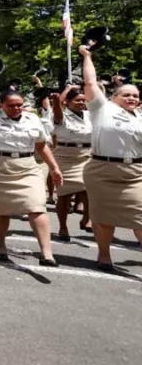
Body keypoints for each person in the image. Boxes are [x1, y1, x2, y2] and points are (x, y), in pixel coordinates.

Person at [0, 63, 61, 266]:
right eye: (11, 105)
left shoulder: (32, 119)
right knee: (1, 210)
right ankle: (1, 244)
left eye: (19, 105)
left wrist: (55, 167)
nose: (16, 109)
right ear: (2, 105)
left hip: (27, 167)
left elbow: (41, 146)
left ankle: (47, 253)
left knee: (37, 206)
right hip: (0, 166)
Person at [79, 45, 142, 272]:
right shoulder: (101, 108)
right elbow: (90, 83)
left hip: (135, 174)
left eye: (135, 95)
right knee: (104, 217)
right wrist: (87, 56)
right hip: (102, 171)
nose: (132, 98)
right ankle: (104, 255)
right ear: (114, 97)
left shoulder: (140, 118)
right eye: (126, 95)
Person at [50, 85, 92, 241]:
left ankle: (87, 218)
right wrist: (59, 97)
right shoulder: (61, 115)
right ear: (68, 102)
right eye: (77, 100)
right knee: (64, 195)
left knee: (89, 190)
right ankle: (63, 226)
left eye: (83, 100)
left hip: (86, 156)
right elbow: (58, 113)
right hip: (65, 157)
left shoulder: (90, 115)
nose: (81, 103)